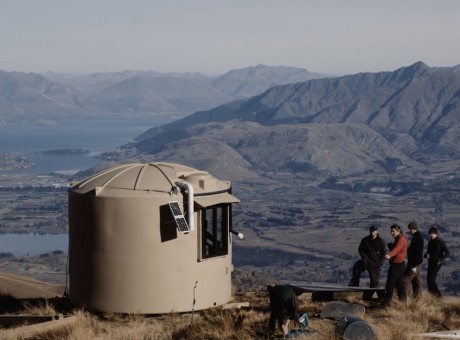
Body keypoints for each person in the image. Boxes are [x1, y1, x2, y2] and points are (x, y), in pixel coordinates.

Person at [348, 225, 386, 300]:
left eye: (374, 230)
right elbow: (360, 249)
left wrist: (380, 263)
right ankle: (354, 283)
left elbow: (384, 253)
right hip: (366, 261)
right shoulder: (365, 240)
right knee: (357, 267)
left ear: (377, 231)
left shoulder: (381, 241)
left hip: (375, 264)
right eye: (371, 230)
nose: (372, 232)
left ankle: (370, 298)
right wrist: (364, 258)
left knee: (374, 282)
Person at [382, 224, 408, 307]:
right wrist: (391, 247)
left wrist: (389, 255)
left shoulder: (401, 239)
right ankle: (403, 302)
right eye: (391, 231)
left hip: (396, 265)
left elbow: (397, 250)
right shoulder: (399, 239)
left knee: (390, 284)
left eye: (393, 231)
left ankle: (386, 304)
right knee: (399, 285)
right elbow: (397, 249)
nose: (392, 233)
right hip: (399, 264)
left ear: (398, 231)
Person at [425, 226, 450, 298]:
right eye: (429, 234)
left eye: (431, 234)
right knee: (428, 281)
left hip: (436, 264)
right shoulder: (430, 242)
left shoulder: (440, 242)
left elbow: (447, 253)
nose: (430, 235)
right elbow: (428, 252)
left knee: (431, 280)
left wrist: (440, 260)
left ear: (436, 233)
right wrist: (426, 255)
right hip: (430, 263)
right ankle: (433, 296)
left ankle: (438, 297)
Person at [402, 221, 424, 299]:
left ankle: (404, 300)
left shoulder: (417, 238)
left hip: (414, 264)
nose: (409, 231)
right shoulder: (417, 237)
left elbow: (417, 254)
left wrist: (414, 266)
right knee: (416, 282)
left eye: (410, 229)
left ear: (414, 228)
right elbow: (412, 250)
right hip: (415, 264)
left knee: (404, 282)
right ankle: (417, 300)